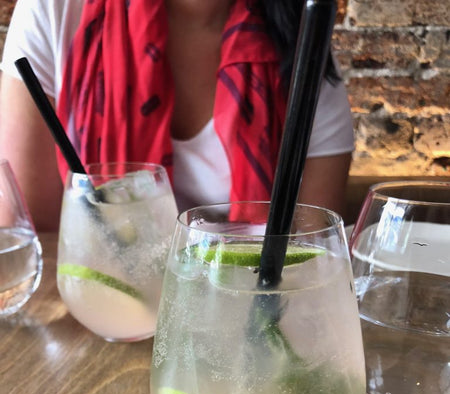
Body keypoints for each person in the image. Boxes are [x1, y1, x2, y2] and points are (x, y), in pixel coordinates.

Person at [0, 0, 354, 232]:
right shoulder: (57, 9)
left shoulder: (301, 46)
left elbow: (312, 249)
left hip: (243, 306)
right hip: (102, 301)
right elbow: (31, 229)